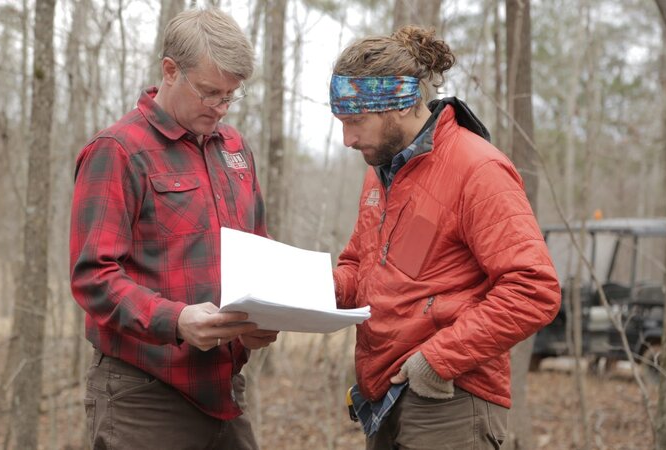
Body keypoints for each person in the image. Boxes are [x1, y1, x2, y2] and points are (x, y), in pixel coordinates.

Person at [330, 25, 561, 449]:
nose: (348, 139)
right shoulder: (381, 172)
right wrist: (312, 290)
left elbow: (533, 289)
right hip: (385, 396)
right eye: (342, 124)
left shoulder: (478, 169)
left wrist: (436, 361)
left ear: (400, 105)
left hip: (450, 399)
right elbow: (361, 267)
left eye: (356, 122)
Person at [69, 8, 278, 449]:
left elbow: (258, 249)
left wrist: (262, 317)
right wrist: (176, 320)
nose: (221, 107)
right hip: (142, 395)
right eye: (209, 92)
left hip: (225, 389)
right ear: (170, 71)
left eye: (230, 95)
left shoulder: (235, 148)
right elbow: (93, 276)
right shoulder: (118, 150)